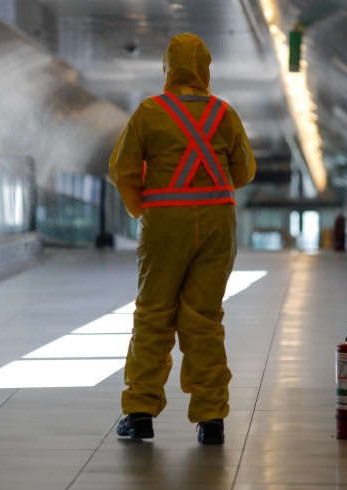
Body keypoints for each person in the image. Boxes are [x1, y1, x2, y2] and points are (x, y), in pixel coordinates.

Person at [108, 33, 256, 444]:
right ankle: (211, 419)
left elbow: (121, 170)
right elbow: (243, 172)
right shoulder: (224, 114)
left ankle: (139, 412)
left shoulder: (149, 113)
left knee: (154, 314)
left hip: (165, 225)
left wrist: (143, 209)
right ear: (205, 69)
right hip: (217, 224)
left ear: (168, 69)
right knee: (204, 318)